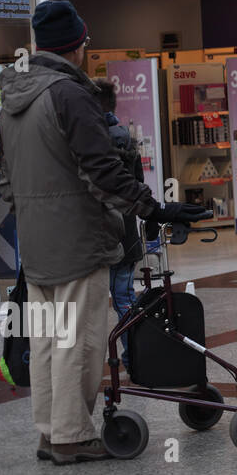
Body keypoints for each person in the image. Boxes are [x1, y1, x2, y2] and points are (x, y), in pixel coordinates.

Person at [0, 1, 209, 465]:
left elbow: (6, 182)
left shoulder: (12, 98)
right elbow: (104, 172)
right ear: (77, 47)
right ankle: (73, 435)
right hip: (78, 242)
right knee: (80, 341)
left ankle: (50, 433)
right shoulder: (71, 97)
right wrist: (159, 209)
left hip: (35, 246)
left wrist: (34, 220)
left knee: (49, 340)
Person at [92, 79, 144, 371]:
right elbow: (138, 184)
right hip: (127, 231)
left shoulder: (94, 139)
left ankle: (134, 355)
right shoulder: (125, 135)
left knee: (106, 299)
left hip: (103, 234)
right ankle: (135, 355)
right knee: (124, 295)